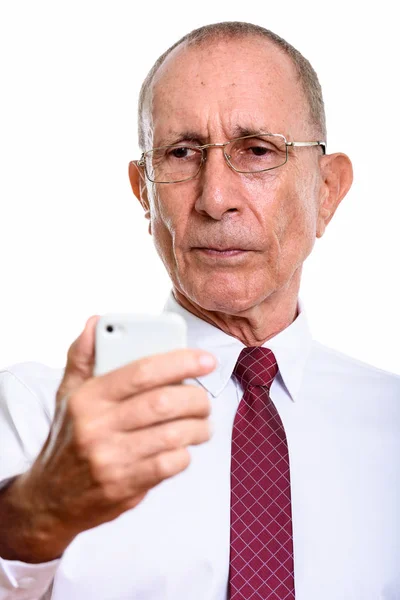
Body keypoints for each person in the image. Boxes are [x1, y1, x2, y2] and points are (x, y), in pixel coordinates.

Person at [0, 20, 399, 600]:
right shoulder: (32, 421)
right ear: (145, 193)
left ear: (329, 189)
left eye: (258, 150)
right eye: (181, 153)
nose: (215, 198)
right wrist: (35, 514)